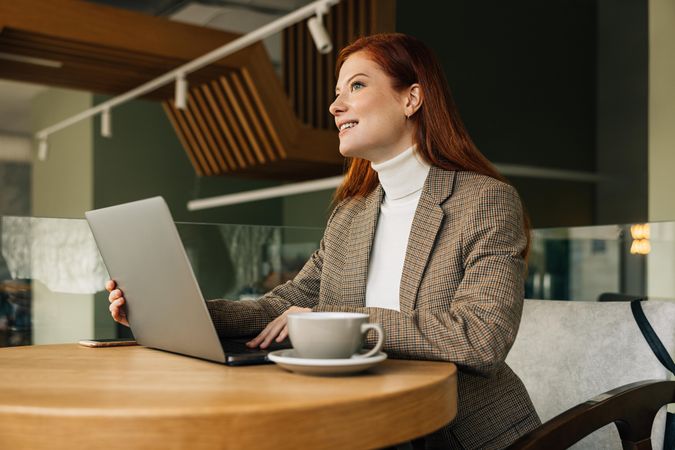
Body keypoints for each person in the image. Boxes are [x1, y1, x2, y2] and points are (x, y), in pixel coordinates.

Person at [107, 33, 541, 449]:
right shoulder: (352, 214)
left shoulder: (483, 200)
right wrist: (178, 313)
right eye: (337, 92)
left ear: (411, 98)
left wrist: (333, 320)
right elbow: (283, 306)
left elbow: (481, 338)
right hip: (359, 422)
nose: (335, 106)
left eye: (356, 85)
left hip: (460, 434)